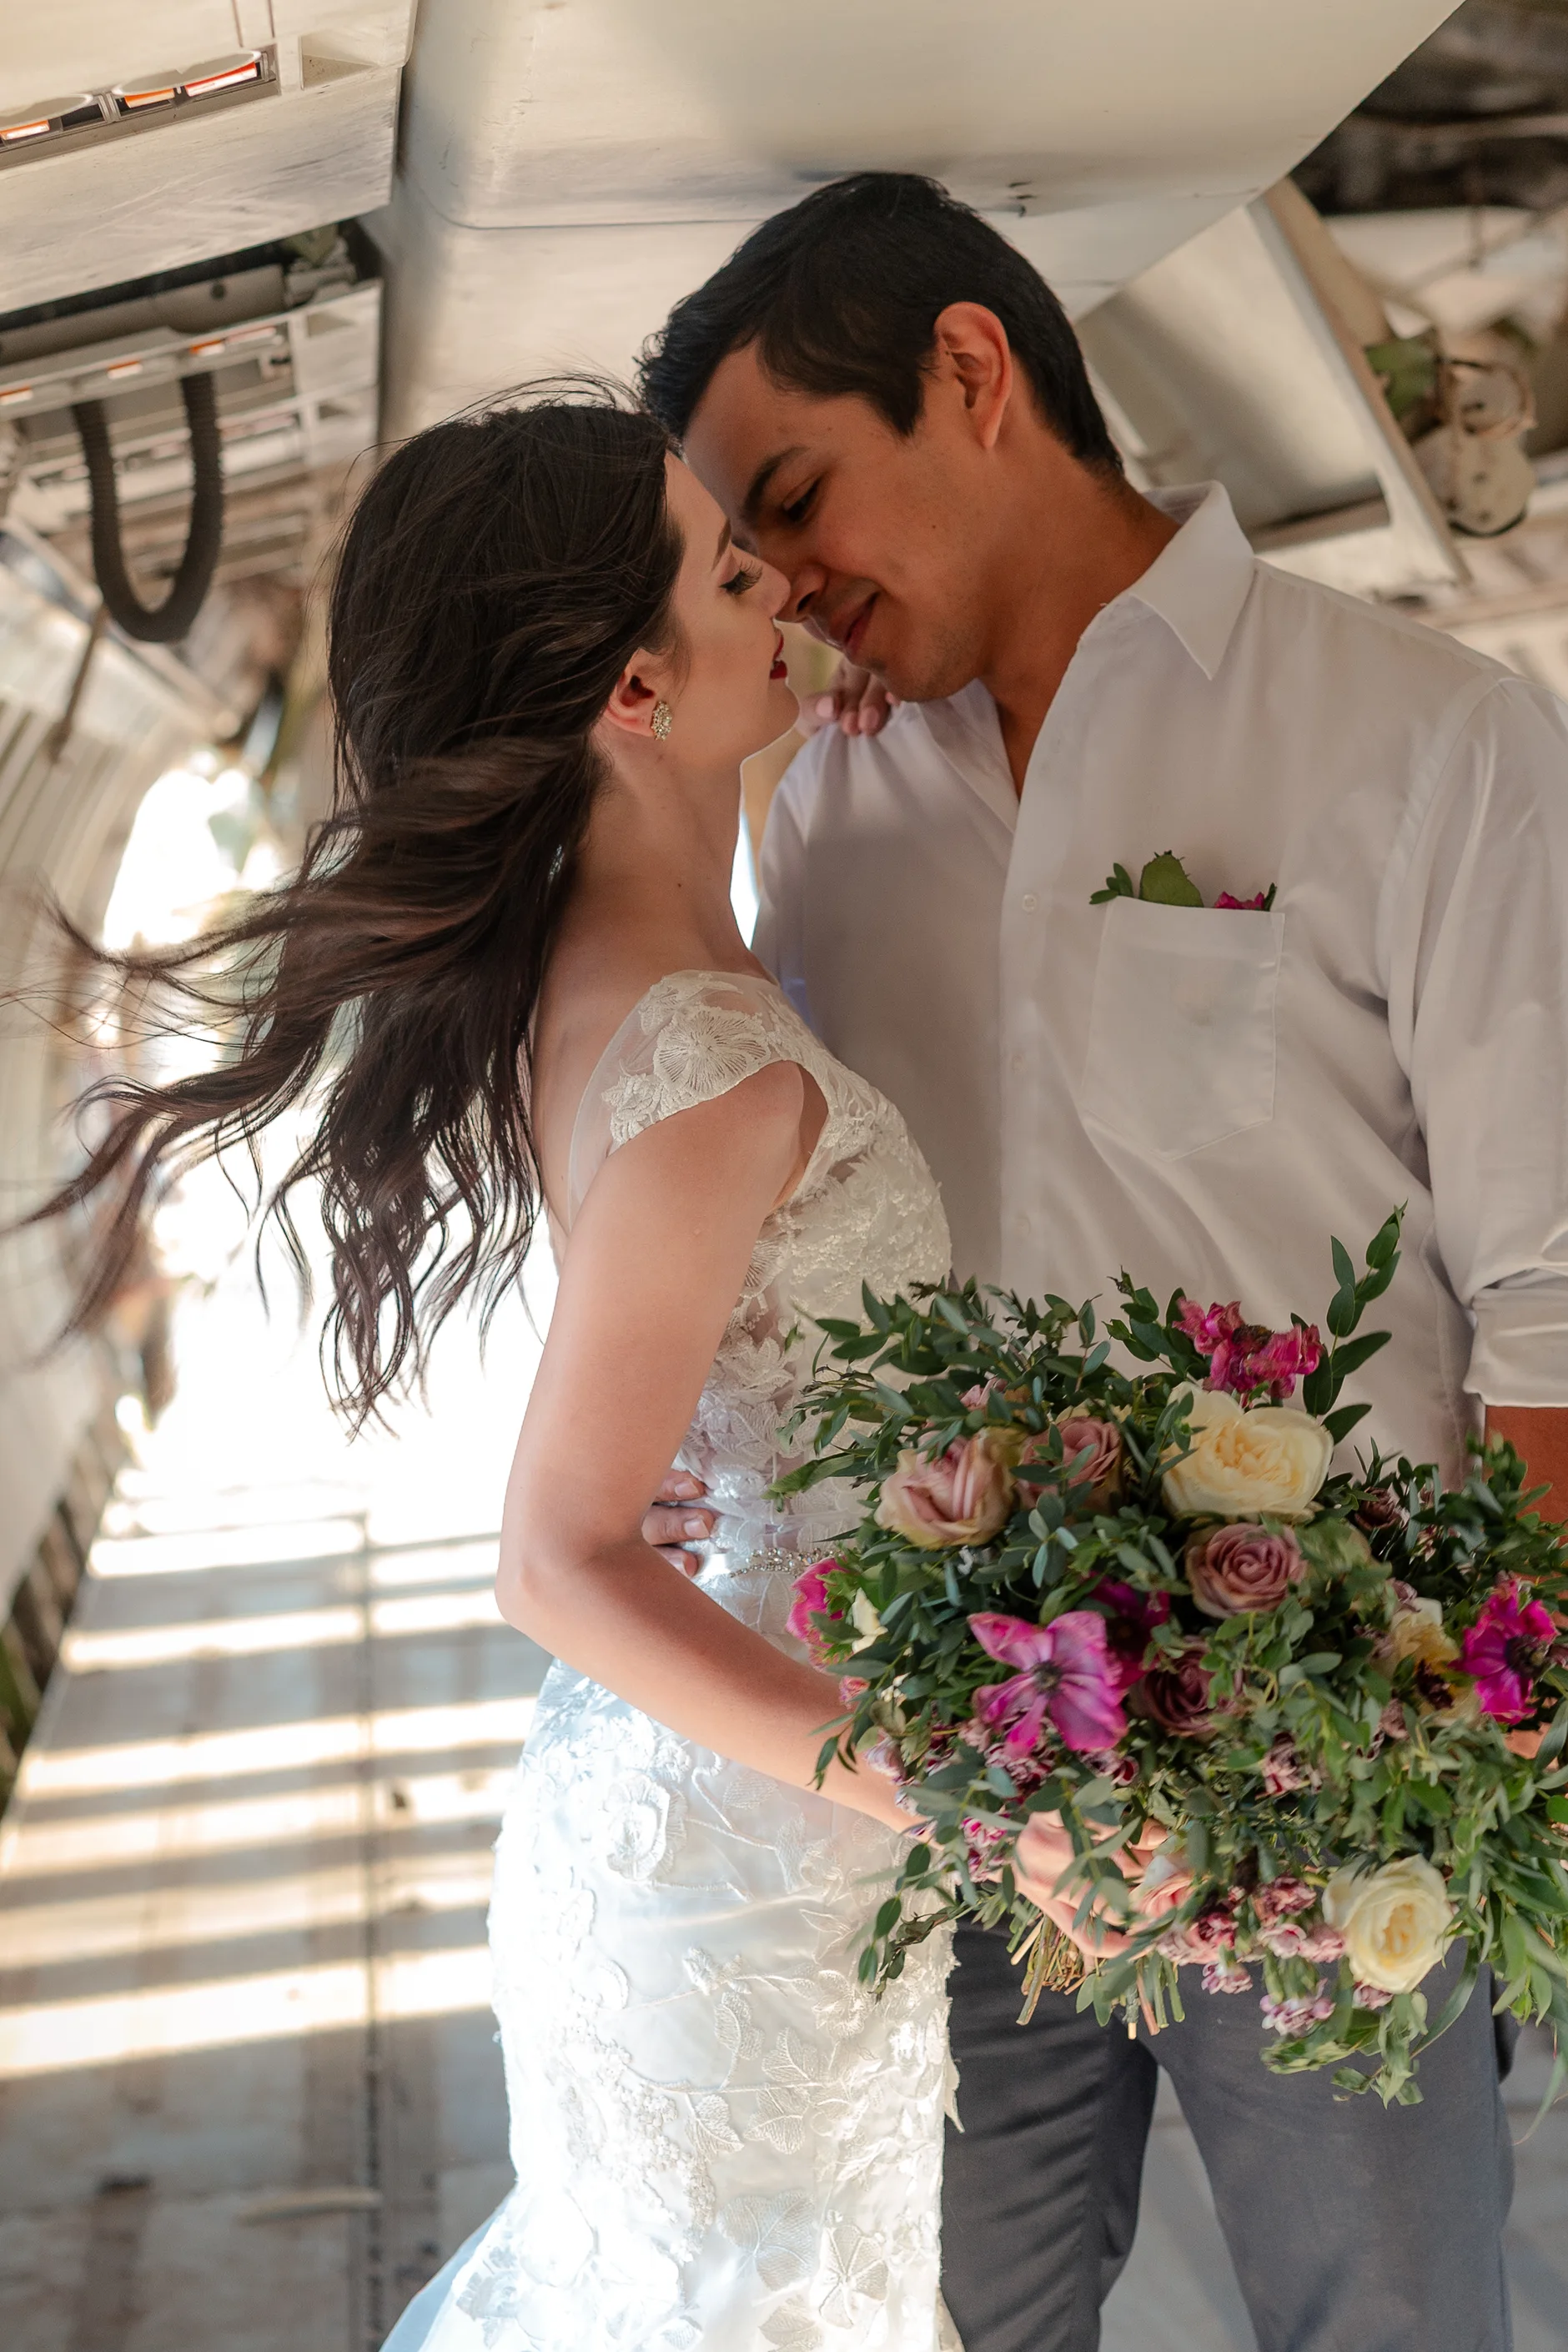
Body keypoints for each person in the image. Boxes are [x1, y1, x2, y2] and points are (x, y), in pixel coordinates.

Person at [637, 172, 1568, 2352]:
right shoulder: (823, 791)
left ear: (974, 374)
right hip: (954, 1762)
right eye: (748, 559)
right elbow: (741, 1163)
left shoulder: (1429, 741)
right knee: (952, 2319)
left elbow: (1551, 1288)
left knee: (1393, 2320)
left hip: (1327, 1768)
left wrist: (1458, 1743)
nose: (796, 588)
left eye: (800, 501)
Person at [25, 390, 958, 2350]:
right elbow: (554, 1557)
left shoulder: (627, 976)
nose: (783, 578)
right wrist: (937, 1787)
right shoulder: (717, 1061)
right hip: (752, 1860)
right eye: (732, 572)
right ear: (634, 689)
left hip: (733, 1833)